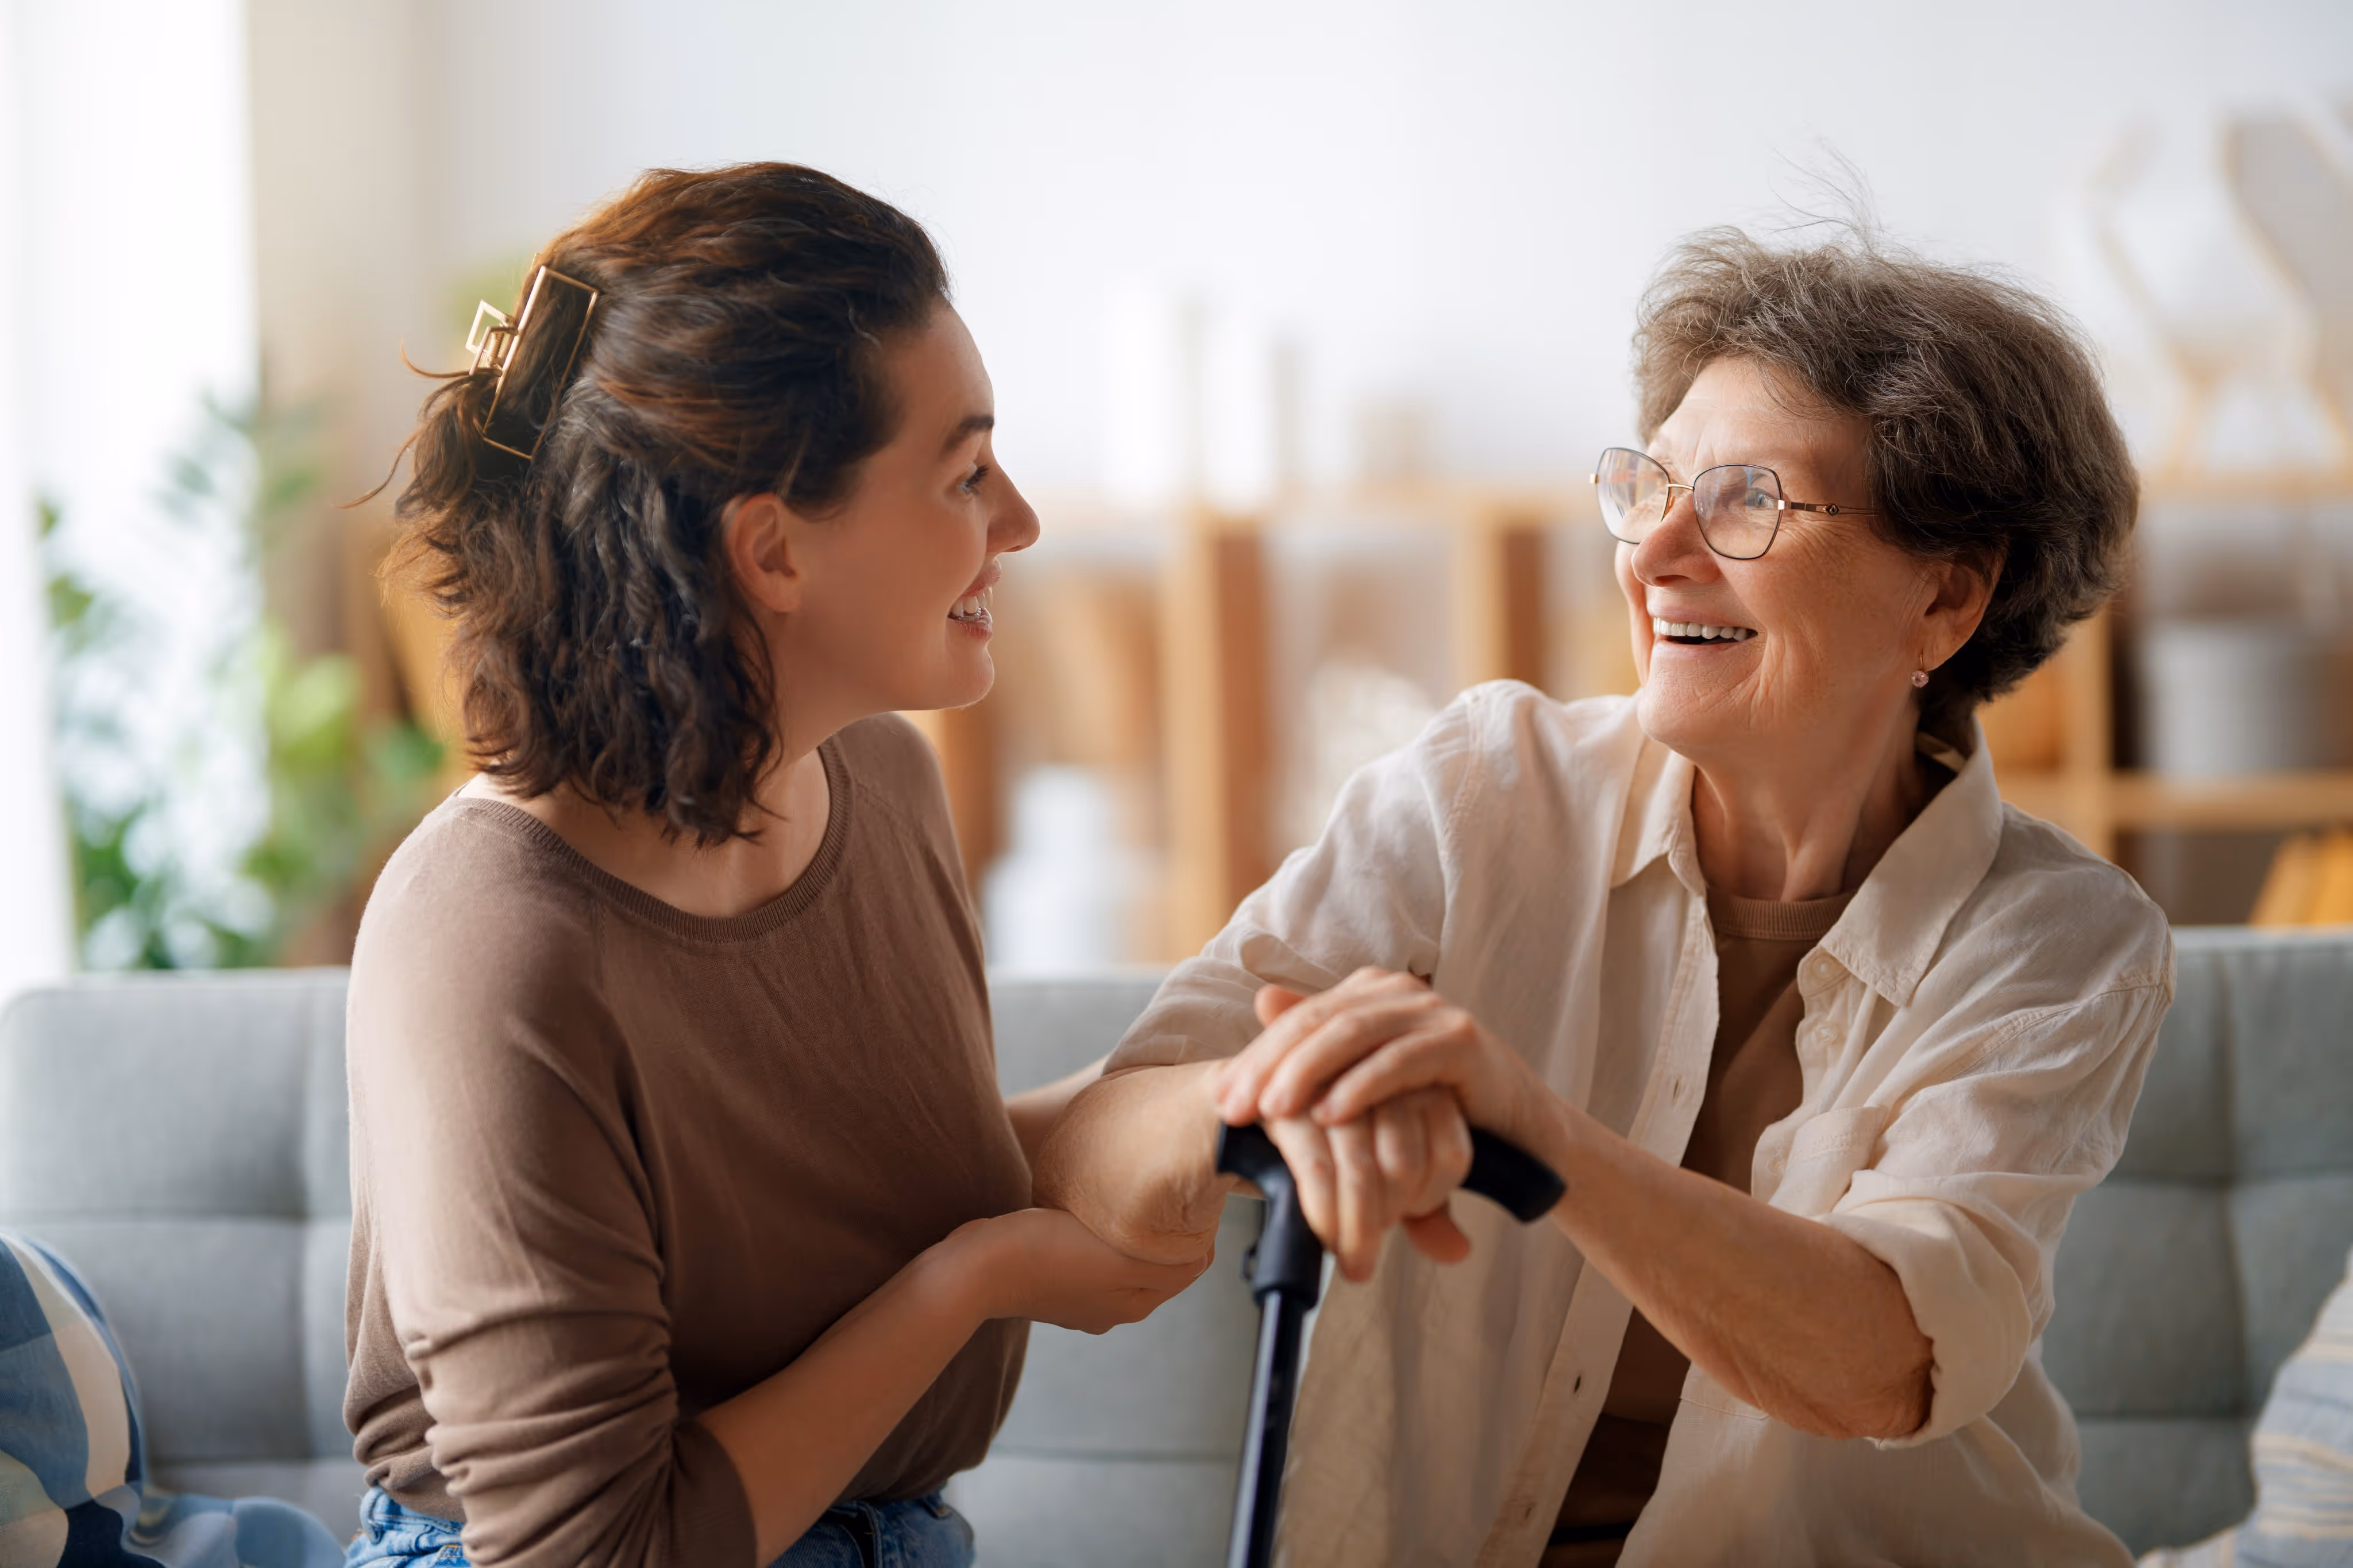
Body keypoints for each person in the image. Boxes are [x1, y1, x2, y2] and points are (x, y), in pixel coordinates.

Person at [1037, 227, 2169, 1566]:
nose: (1654, 553)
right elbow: (1089, 1148)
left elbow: (1879, 1359)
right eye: (1647, 486)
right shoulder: (1480, 792)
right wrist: (1276, 1092)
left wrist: (1532, 1135)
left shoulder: (2062, 944)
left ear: (1944, 596)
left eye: (1747, 499)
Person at [341, 163, 1203, 1568]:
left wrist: (1205, 1102)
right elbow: (586, 1553)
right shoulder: (489, 941)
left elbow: (861, 1192)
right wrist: (983, 1280)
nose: (1021, 522)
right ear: (772, 550)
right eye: (965, 472)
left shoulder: (881, 780)